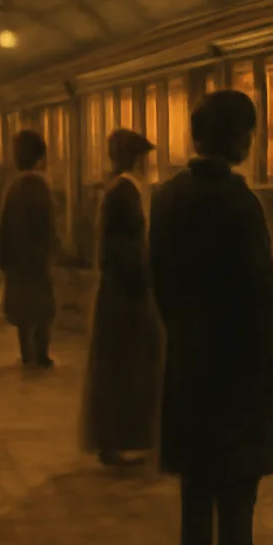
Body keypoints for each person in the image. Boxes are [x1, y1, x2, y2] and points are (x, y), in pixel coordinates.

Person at [150, 90, 273, 545]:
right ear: (233, 136)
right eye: (247, 133)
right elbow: (259, 283)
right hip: (239, 356)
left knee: (198, 465)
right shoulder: (237, 201)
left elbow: (160, 278)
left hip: (190, 349)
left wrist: (183, 328)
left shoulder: (168, 197)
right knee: (238, 465)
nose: (250, 142)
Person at [80, 128, 163, 467]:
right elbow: (129, 247)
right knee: (127, 369)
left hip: (115, 293)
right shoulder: (126, 191)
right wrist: (149, 274)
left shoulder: (115, 187)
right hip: (126, 296)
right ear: (136, 159)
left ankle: (115, 440)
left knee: (115, 370)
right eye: (145, 157)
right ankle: (120, 440)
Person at [0, 129, 57, 368]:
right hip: (38, 261)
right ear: (40, 158)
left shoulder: (13, 188)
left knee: (23, 311)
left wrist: (3, 258)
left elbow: (3, 226)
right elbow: (49, 227)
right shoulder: (42, 188)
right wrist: (52, 252)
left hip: (17, 262)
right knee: (42, 309)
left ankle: (26, 353)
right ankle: (42, 354)